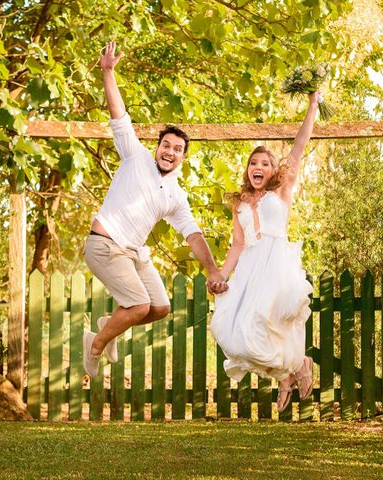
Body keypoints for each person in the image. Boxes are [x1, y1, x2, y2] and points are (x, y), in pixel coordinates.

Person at [83, 41, 227, 378]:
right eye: (166, 145)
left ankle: (110, 323)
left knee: (159, 308)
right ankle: (94, 343)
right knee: (139, 305)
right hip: (104, 246)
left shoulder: (176, 194)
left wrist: (213, 270)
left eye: (177, 149)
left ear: (182, 157)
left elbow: (193, 234)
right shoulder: (134, 156)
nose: (170, 152)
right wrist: (108, 72)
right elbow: (118, 115)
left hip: (133, 253)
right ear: (157, 147)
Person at [210, 91, 319, 412]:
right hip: (248, 269)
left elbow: (298, 148)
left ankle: (296, 368)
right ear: (248, 170)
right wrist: (220, 275)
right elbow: (237, 245)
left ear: (273, 171)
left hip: (277, 265)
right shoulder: (240, 203)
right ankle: (291, 371)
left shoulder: (281, 193)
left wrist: (312, 105)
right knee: (234, 334)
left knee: (268, 323)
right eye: (254, 163)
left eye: (266, 163)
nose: (258, 166)